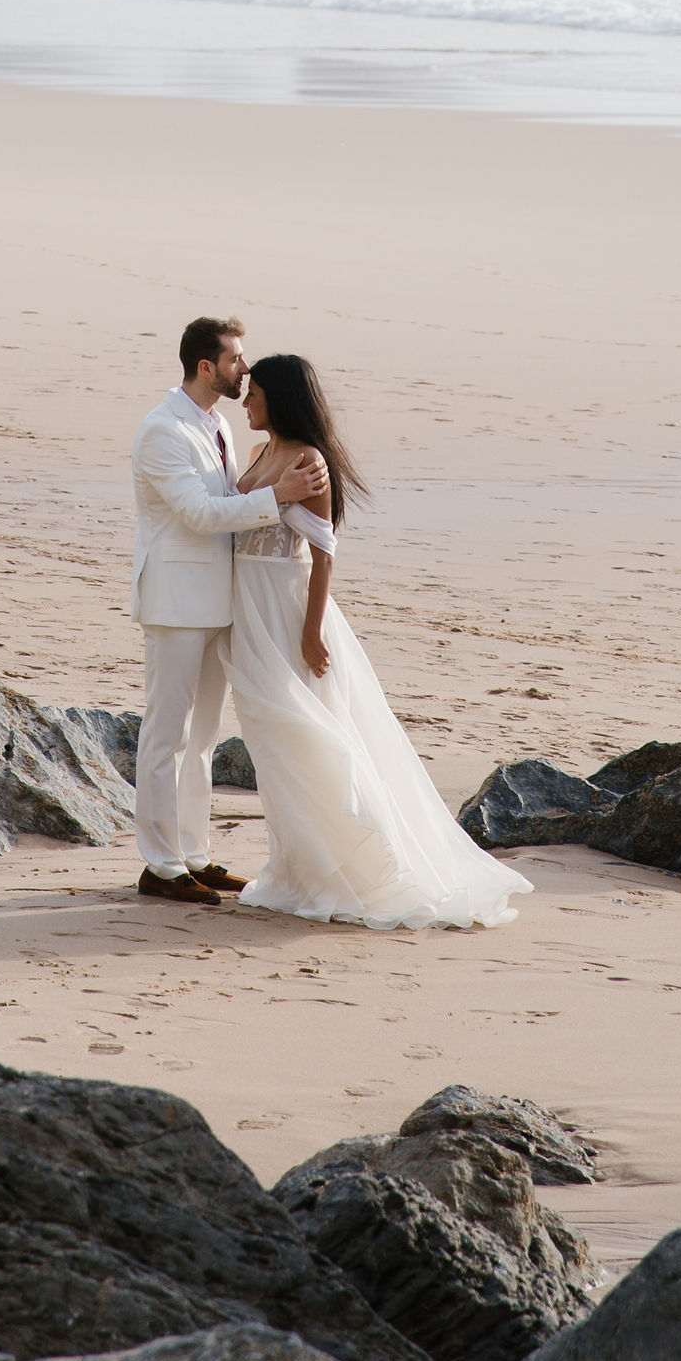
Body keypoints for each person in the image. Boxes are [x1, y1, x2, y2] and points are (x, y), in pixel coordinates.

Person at [225, 350, 530, 930]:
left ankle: (355, 869)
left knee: (311, 737)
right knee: (273, 743)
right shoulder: (266, 453)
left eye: (256, 394)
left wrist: (312, 632)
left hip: (288, 616)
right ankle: (299, 869)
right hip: (251, 617)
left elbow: (322, 558)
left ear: (280, 398)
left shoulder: (309, 461)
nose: (247, 402)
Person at [131, 315, 329, 905]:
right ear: (206, 367)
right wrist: (279, 495)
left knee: (204, 737)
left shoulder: (215, 422)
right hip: (176, 599)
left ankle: (194, 854)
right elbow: (199, 515)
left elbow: (227, 503)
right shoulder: (163, 430)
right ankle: (160, 866)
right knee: (166, 733)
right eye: (236, 359)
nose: (245, 368)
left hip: (220, 600)